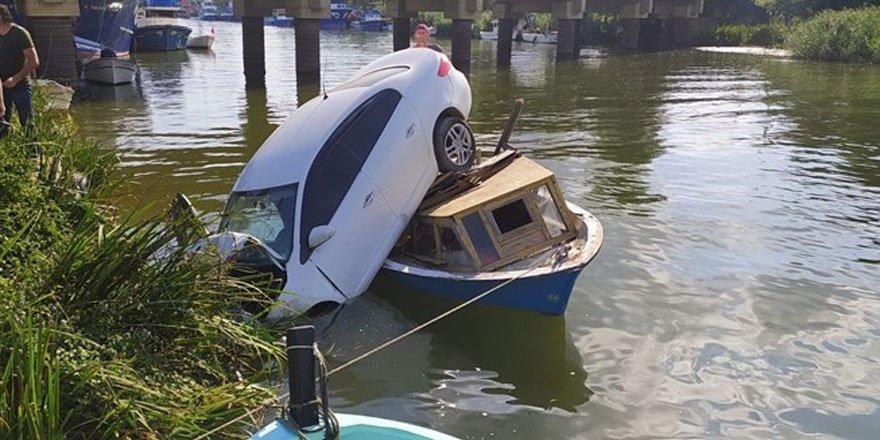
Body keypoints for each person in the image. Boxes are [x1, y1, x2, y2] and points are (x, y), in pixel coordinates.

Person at [0, 4, 39, 138]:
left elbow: (34, 60)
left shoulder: (20, 33)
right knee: (2, 122)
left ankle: (33, 154)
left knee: (27, 121)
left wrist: (15, 78)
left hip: (20, 84)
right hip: (2, 86)